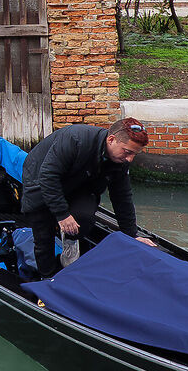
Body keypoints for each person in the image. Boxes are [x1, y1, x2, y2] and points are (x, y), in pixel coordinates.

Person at [19, 117, 153, 274]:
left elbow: (122, 197)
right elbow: (48, 177)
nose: (130, 159)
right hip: (40, 181)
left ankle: (70, 240)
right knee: (43, 236)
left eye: (134, 154)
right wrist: (62, 215)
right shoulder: (75, 139)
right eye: (128, 152)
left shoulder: (120, 161)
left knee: (84, 217)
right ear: (111, 139)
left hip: (79, 183)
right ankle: (47, 277)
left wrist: (131, 235)